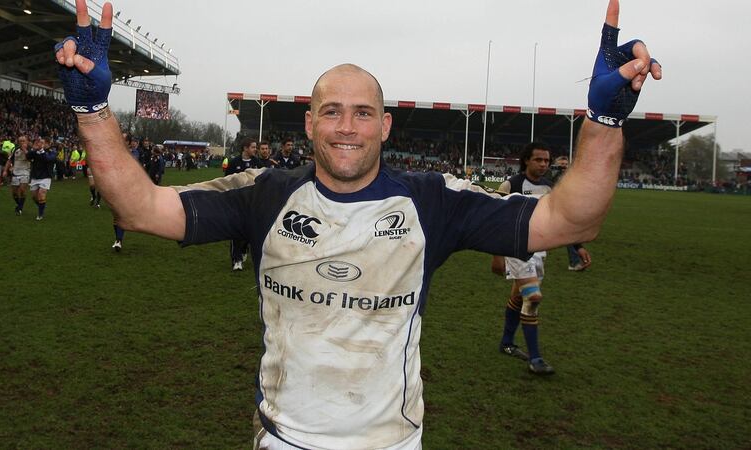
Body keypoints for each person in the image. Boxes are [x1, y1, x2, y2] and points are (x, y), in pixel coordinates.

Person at [54, 0, 660, 446]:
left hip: (391, 442)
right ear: (311, 124)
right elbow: (139, 208)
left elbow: (568, 220)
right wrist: (91, 110)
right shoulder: (264, 195)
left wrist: (604, 119)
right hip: (284, 438)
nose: (348, 126)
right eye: (333, 112)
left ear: (386, 126)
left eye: (364, 113)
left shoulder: (433, 201)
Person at [492, 142, 558, 374]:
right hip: (515, 248)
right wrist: (497, 254)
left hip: (539, 250)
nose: (543, 164)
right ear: (526, 160)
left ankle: (507, 343)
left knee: (520, 297)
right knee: (533, 298)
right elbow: (495, 220)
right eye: (538, 159)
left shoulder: (550, 188)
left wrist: (576, 248)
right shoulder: (511, 185)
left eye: (547, 161)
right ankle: (536, 359)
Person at [223, 137, 260, 271]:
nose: (255, 150)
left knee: (250, 230)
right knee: (235, 231)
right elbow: (227, 180)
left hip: (253, 202)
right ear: (245, 148)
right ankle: (237, 260)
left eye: (255, 147)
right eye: (253, 147)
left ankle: (244, 248)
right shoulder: (234, 163)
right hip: (237, 202)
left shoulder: (257, 162)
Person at [551, 155, 593, 271]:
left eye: (565, 164)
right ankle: (574, 262)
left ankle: (575, 261)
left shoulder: (572, 177)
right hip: (553, 210)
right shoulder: (551, 176)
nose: (563, 167)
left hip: (567, 210)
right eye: (561, 164)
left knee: (570, 235)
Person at [26, 137, 58, 221]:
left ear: (48, 144)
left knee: (41, 194)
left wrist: (41, 151)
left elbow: (48, 159)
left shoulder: (53, 152)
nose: (40, 144)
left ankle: (40, 214)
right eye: (39, 142)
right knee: (34, 196)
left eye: (42, 143)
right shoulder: (36, 151)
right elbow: (28, 156)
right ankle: (42, 205)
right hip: (35, 176)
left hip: (46, 176)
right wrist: (34, 149)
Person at [3, 136, 32, 215]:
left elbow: (31, 159)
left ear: (27, 141)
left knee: (22, 190)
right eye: (20, 141)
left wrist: (25, 150)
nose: (22, 143)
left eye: (23, 141)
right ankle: (19, 205)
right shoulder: (15, 150)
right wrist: (5, 170)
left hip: (25, 172)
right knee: (14, 193)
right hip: (16, 172)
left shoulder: (30, 150)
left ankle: (20, 208)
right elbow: (9, 160)